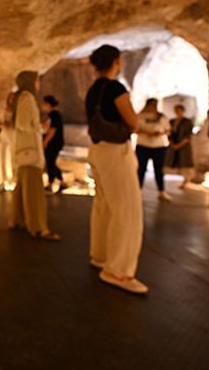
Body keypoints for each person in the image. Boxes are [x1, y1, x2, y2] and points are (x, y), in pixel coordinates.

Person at [84, 45, 147, 294]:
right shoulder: (115, 88)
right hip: (115, 152)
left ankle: (100, 255)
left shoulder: (93, 91)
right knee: (127, 211)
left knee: (104, 206)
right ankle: (117, 271)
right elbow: (133, 122)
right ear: (117, 62)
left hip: (98, 150)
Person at [8, 71, 61, 241]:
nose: (38, 83)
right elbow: (24, 123)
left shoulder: (21, 98)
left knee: (22, 188)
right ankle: (38, 227)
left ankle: (16, 220)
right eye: (37, 80)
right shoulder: (27, 98)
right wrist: (38, 127)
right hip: (30, 151)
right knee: (34, 191)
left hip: (24, 150)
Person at [135, 98, 171, 201]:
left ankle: (162, 191)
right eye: (152, 104)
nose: (153, 106)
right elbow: (134, 129)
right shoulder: (140, 116)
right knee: (141, 169)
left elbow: (168, 130)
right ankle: (138, 190)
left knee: (159, 170)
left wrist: (160, 133)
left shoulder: (161, 117)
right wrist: (146, 133)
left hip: (159, 146)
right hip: (143, 145)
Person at [166, 104, 196, 188]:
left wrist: (179, 145)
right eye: (176, 110)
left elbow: (188, 135)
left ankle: (186, 180)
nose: (178, 112)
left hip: (184, 146)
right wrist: (173, 144)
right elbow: (169, 133)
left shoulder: (187, 122)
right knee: (174, 161)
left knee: (185, 163)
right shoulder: (172, 121)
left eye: (179, 110)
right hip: (174, 144)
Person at [41, 95, 66, 193]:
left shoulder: (54, 114)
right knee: (51, 162)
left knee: (50, 162)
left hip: (53, 143)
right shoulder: (53, 115)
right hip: (55, 142)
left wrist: (45, 141)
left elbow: (53, 130)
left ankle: (51, 183)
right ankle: (61, 182)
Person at [0, 92, 17, 191]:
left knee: (13, 157)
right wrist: (2, 124)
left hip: (13, 133)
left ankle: (14, 180)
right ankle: (2, 181)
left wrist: (11, 125)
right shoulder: (3, 109)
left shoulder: (17, 110)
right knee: (2, 157)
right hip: (3, 133)